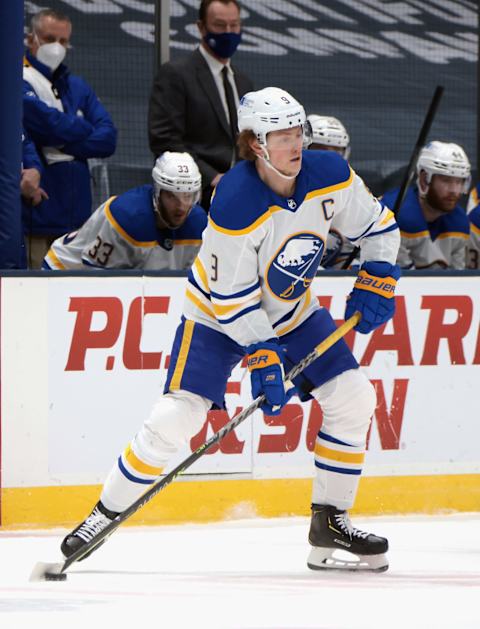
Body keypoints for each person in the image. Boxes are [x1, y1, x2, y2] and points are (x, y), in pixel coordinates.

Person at [61, 87, 400, 573]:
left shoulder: (330, 175)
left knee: (353, 398)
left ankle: (331, 522)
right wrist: (262, 355)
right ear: (256, 144)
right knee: (176, 417)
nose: (296, 143)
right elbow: (232, 299)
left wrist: (379, 276)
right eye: (282, 135)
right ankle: (102, 515)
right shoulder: (235, 202)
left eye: (298, 131)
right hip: (217, 317)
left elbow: (380, 226)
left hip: (292, 309)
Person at [23, 8, 117, 268]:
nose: (56, 47)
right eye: (50, 38)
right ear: (32, 38)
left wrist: (58, 138)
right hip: (37, 217)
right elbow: (45, 121)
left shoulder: (77, 86)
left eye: (63, 41)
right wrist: (83, 127)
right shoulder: (19, 79)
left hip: (77, 225)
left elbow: (108, 138)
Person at [148, 0, 253, 210]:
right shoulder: (176, 75)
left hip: (241, 197)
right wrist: (213, 178)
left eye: (234, 25)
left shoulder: (243, 81)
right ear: (201, 27)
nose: (229, 32)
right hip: (192, 198)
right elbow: (164, 139)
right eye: (220, 26)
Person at [43, 152, 206, 270]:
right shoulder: (126, 217)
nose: (181, 206)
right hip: (65, 272)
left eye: (187, 196)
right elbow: (96, 276)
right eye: (172, 196)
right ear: (157, 193)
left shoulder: (199, 224)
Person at [382, 141, 471, 269]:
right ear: (424, 180)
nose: (454, 190)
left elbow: (459, 281)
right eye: (446, 180)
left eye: (459, 181)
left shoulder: (460, 222)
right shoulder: (395, 214)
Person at [307, 114, 355, 269]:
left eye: (336, 153)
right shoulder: (282, 188)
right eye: (320, 150)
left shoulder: (352, 196)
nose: (327, 161)